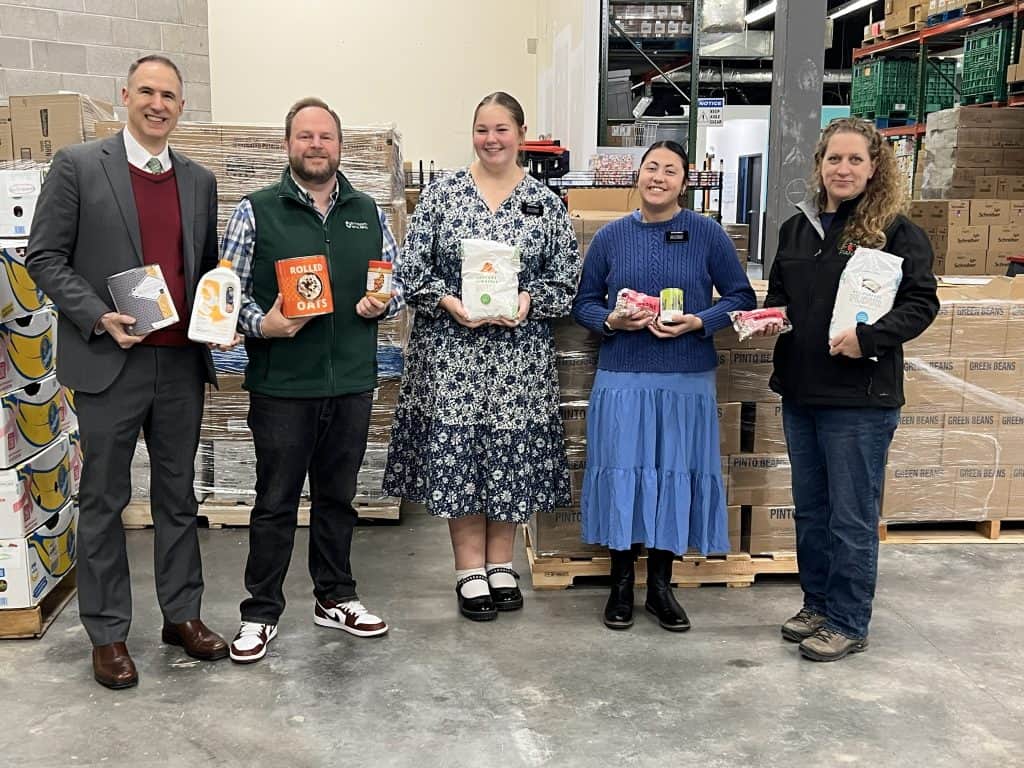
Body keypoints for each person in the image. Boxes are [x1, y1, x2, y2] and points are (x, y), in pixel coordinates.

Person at [26, 55, 228, 689]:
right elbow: (45, 256)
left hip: (177, 363)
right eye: (147, 91)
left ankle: (182, 615)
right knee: (105, 500)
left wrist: (219, 312)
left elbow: (202, 266)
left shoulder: (198, 180)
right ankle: (108, 632)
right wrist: (96, 315)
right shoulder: (80, 167)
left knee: (178, 496)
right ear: (125, 96)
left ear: (181, 106)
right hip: (111, 362)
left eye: (169, 94)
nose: (157, 103)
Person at [383, 92, 580, 621]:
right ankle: (469, 569)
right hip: (454, 357)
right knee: (461, 457)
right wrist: (449, 302)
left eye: (501, 129)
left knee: (509, 456)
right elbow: (412, 271)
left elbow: (566, 278)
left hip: (518, 358)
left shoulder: (545, 202)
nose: (491, 139)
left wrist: (527, 300)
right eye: (481, 129)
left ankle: (501, 564)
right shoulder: (443, 196)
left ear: (520, 133)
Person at [221, 97, 401, 664]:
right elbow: (225, 298)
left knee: (338, 497)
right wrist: (264, 323)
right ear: (288, 145)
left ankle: (335, 596)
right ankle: (260, 611)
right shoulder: (256, 210)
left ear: (340, 146)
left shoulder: (367, 212)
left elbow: (391, 284)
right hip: (282, 384)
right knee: (275, 501)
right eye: (305, 136)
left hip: (350, 380)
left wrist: (383, 303)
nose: (316, 145)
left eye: (325, 136)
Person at [762, 117, 938, 661]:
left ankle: (848, 620)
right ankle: (817, 603)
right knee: (812, 510)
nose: (842, 169)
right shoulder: (799, 229)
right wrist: (769, 319)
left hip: (859, 399)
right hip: (802, 392)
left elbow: (921, 303)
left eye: (854, 160)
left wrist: (869, 338)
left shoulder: (896, 232)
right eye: (833, 159)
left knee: (852, 515)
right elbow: (784, 296)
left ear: (874, 167)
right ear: (819, 165)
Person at [572, 140, 756, 632]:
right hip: (623, 375)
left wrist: (699, 321)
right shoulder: (611, 238)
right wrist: (611, 321)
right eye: (651, 167)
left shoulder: (707, 234)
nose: (658, 177)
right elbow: (583, 303)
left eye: (670, 170)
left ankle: (660, 587)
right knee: (623, 474)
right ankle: (619, 586)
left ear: (684, 180)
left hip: (685, 378)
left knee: (674, 475)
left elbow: (742, 295)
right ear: (638, 176)